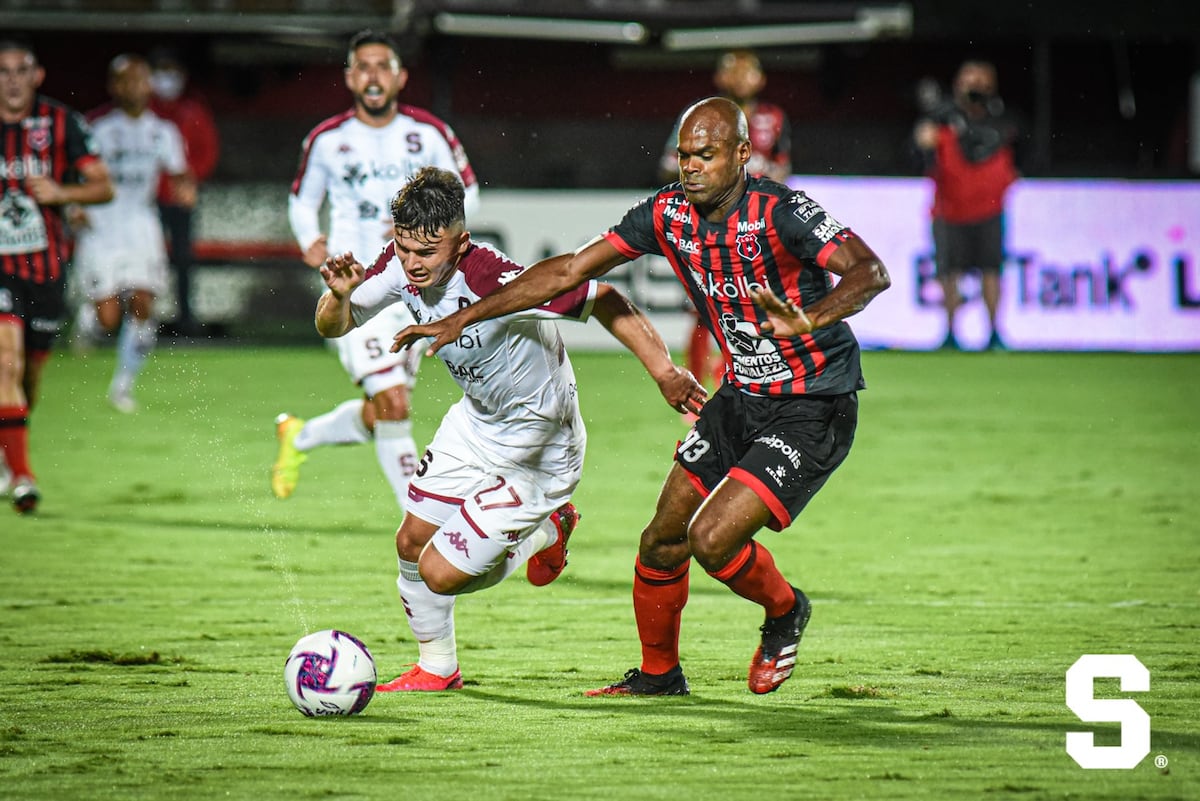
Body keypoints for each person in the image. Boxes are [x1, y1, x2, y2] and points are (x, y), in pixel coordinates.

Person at [392, 98, 891, 696]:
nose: (691, 166)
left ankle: (784, 611)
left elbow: (869, 272)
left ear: (740, 154)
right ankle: (660, 677)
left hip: (814, 398)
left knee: (712, 539)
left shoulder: (781, 210)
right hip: (742, 394)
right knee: (661, 539)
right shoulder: (667, 215)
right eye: (683, 155)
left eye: (705, 155)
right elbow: (569, 272)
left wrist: (808, 320)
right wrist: (463, 317)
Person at [315, 166, 706, 690]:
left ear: (460, 243)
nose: (412, 264)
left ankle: (549, 527)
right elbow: (332, 324)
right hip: (475, 425)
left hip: (540, 446)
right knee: (411, 543)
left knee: (440, 572)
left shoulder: (494, 280)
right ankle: (438, 668)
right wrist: (339, 296)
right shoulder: (395, 264)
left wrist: (664, 371)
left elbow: (604, 299)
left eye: (426, 253)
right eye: (404, 247)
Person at [276, 28, 480, 511]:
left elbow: (468, 191)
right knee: (394, 403)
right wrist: (310, 241)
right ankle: (419, 517)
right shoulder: (328, 140)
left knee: (382, 411)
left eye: (382, 66)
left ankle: (300, 436)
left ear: (400, 76)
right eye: (362, 66)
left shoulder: (428, 134)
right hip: (357, 285)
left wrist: (431, 231)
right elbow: (302, 202)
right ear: (350, 78)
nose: (373, 75)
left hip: (415, 287)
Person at [0, 37, 114, 513]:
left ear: (37, 75)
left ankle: (9, 448)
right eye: (2, 70)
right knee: (5, 363)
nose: (11, 79)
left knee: (29, 377)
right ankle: (24, 476)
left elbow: (103, 187)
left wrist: (62, 193)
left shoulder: (64, 124)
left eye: (19, 70)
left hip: (45, 272)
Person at [658, 50, 793, 395]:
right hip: (708, 223)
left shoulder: (773, 118)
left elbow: (783, 167)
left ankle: (738, 382)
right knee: (704, 307)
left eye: (749, 71)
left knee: (751, 306)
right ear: (720, 78)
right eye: (734, 71)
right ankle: (694, 386)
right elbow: (666, 165)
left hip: (756, 228)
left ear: (760, 79)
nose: (741, 78)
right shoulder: (701, 117)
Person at [72, 53, 193, 413]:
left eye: (140, 80)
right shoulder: (97, 128)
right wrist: (73, 208)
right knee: (109, 319)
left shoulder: (164, 131)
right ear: (113, 86)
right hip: (102, 226)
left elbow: (179, 172)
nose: (134, 87)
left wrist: (186, 188)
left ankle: (123, 386)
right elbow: (75, 175)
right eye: (125, 80)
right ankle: (88, 319)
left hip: (141, 224)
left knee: (142, 303)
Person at [913, 59, 1024, 351]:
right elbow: (917, 155)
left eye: (981, 82)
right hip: (949, 209)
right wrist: (923, 141)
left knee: (991, 269)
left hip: (989, 208)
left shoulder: (1001, 118)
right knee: (949, 271)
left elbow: (1011, 153)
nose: (975, 89)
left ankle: (993, 332)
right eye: (969, 82)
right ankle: (950, 331)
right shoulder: (941, 119)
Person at [148, 48, 220, 336]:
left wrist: (191, 180)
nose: (167, 79)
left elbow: (208, 152)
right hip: (147, 200)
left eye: (172, 72)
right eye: (161, 71)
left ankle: (184, 316)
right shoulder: (145, 114)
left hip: (181, 198)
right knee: (147, 259)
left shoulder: (193, 110)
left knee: (183, 258)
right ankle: (143, 318)